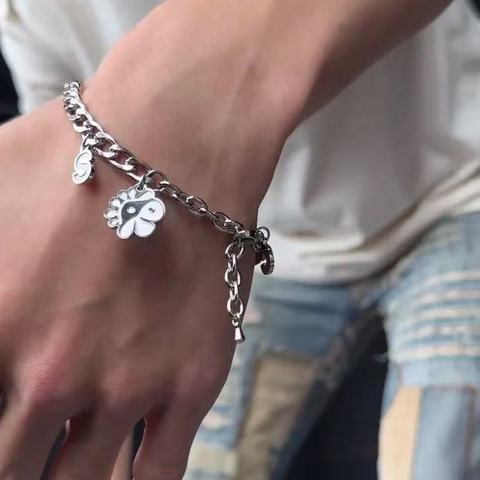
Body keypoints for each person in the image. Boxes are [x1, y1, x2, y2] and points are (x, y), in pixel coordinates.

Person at [0, 0, 478, 479]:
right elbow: (78, 179)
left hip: (451, 193)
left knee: (442, 459)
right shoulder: (25, 15)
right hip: (259, 261)